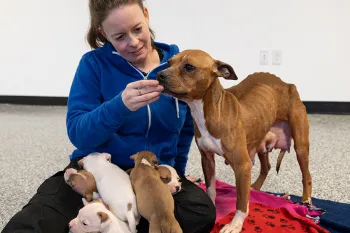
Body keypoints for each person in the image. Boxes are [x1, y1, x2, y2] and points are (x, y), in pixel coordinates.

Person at [1, 0, 216, 232]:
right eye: (120, 36)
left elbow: (185, 129)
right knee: (26, 226)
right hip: (98, 170)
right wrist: (119, 106)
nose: (133, 42)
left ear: (146, 15)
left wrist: (176, 173)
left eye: (137, 29)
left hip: (149, 173)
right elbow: (79, 134)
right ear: (103, 33)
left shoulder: (177, 66)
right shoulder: (93, 64)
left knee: (200, 212)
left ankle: (111, 221)